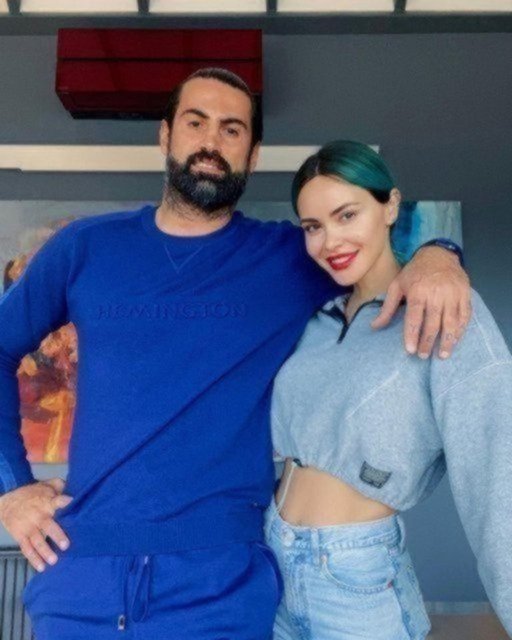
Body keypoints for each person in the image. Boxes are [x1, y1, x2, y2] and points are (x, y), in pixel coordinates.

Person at [0, 70, 470, 639]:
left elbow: (378, 255)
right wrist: (11, 488)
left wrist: (440, 255)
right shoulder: (85, 247)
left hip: (220, 587)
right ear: (165, 135)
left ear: (253, 152)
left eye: (232, 129)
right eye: (195, 122)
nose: (211, 142)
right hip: (82, 577)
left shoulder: (288, 258)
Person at [265, 140, 512, 639]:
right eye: (313, 226)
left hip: (356, 579)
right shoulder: (316, 319)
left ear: (391, 205)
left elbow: (497, 471)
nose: (330, 241)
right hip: (273, 562)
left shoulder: (445, 308)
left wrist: (440, 255)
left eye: (346, 215)